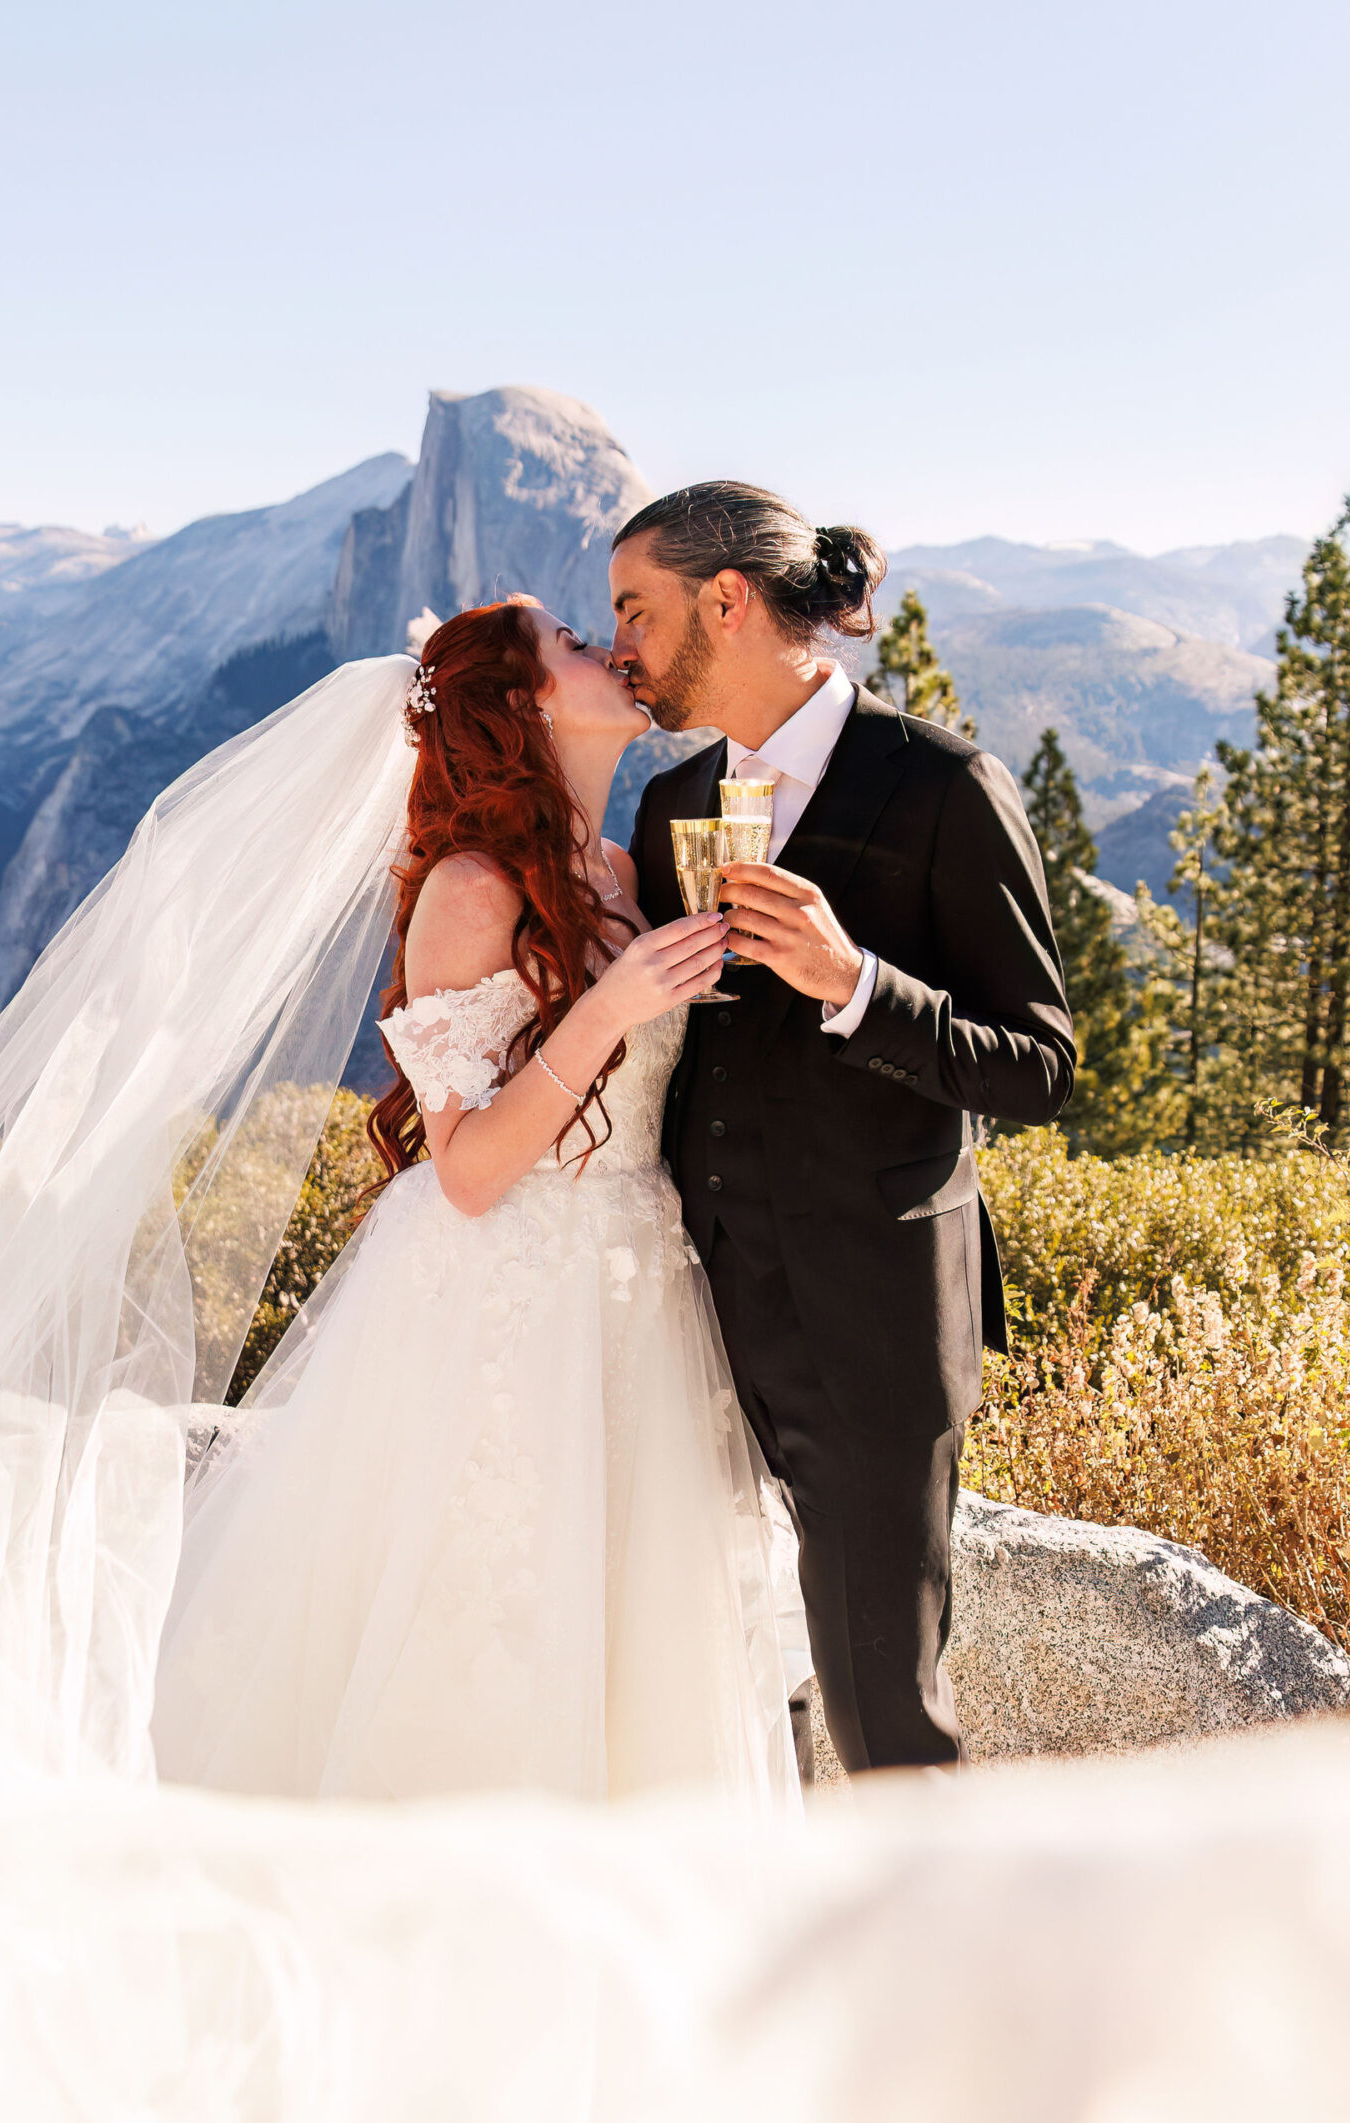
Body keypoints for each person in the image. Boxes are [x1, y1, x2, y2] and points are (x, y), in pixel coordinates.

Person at [152, 599, 796, 1805]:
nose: (602, 646)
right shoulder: (472, 886)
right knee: (489, 1638)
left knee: (638, 1661)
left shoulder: (617, 870)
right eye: (566, 640)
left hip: (634, 1294)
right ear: (528, 702)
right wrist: (613, 1007)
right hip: (501, 1316)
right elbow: (464, 1168)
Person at [611, 484, 1076, 1776]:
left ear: (726, 602)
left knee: (883, 1712)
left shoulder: (940, 789)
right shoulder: (670, 809)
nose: (620, 648)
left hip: (871, 1320)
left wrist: (854, 984)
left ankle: (927, 1967)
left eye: (634, 612)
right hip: (688, 1313)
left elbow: (1038, 1065)